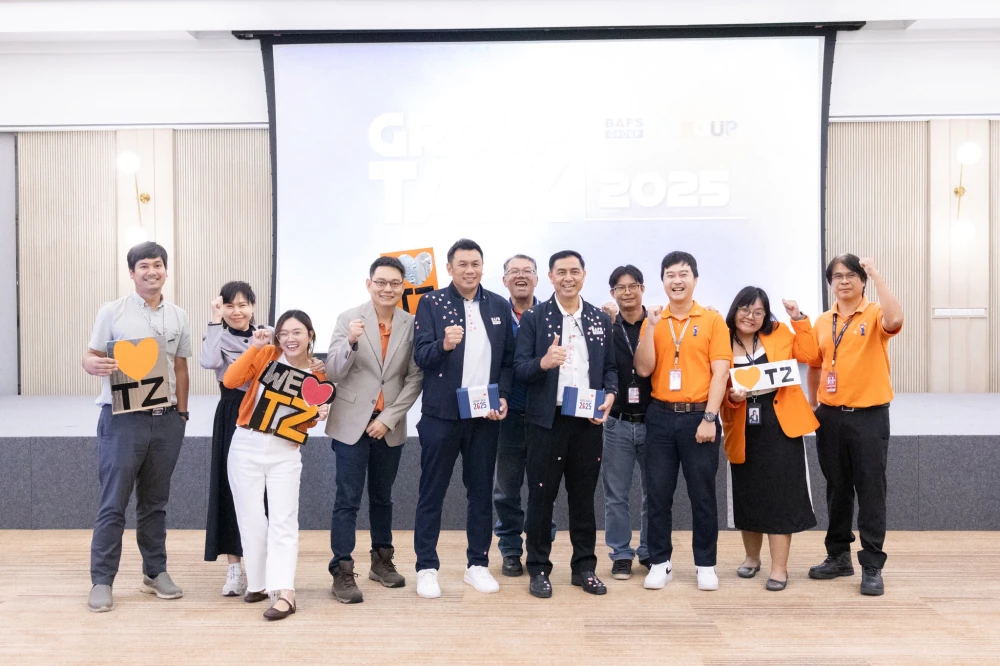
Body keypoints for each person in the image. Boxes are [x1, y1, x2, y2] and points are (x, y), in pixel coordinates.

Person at [83, 241, 191, 613]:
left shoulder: (178, 315)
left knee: (155, 504)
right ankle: (102, 580)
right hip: (122, 421)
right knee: (113, 503)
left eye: (157, 265)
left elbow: (180, 366)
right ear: (132, 273)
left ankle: (154, 573)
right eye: (143, 266)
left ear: (166, 270)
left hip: (167, 421)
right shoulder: (111, 311)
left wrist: (182, 414)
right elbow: (92, 355)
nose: (151, 271)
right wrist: (91, 364)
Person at [412, 239, 515, 598]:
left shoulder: (498, 304)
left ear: (482, 267)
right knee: (432, 492)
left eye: (475, 264)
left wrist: (503, 396)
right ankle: (426, 567)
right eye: (462, 264)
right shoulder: (431, 303)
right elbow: (421, 356)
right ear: (450, 268)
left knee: (481, 492)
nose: (470, 270)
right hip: (441, 416)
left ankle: (478, 564)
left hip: (483, 416)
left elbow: (507, 361)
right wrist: (443, 344)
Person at [514, 250, 617, 599]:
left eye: (574, 271)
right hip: (547, 422)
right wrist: (543, 362)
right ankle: (538, 568)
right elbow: (520, 369)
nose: (568, 278)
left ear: (584, 275)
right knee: (541, 496)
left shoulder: (599, 319)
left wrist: (611, 394)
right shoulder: (535, 318)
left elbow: (611, 369)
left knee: (584, 497)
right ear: (550, 277)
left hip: (587, 420)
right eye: (561, 272)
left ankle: (584, 567)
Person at [800, 254, 903, 596]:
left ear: (862, 281)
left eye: (851, 275)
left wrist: (877, 274)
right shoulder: (823, 321)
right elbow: (816, 364)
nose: (843, 281)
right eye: (837, 276)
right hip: (830, 417)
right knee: (837, 488)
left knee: (871, 489)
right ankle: (838, 556)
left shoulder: (874, 313)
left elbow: (895, 319)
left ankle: (872, 565)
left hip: (869, 415)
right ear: (830, 283)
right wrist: (813, 405)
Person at [324, 257, 423, 604]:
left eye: (395, 283)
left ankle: (381, 561)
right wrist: (350, 341)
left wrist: (389, 418)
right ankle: (342, 570)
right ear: (369, 284)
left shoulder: (412, 323)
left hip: (388, 425)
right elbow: (332, 372)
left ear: (403, 287)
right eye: (381, 282)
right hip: (351, 422)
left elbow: (415, 377)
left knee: (383, 497)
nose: (387, 289)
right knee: (347, 499)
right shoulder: (348, 318)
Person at [634, 251, 732, 592]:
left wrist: (709, 417)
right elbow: (643, 368)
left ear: (695, 279)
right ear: (662, 281)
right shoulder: (654, 320)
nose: (677, 280)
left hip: (699, 416)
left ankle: (705, 564)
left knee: (702, 495)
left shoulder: (712, 320)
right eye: (670, 275)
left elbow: (721, 372)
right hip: (660, 416)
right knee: (658, 494)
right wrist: (650, 327)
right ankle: (660, 562)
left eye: (683, 274)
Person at [223, 310, 330, 620]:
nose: (290, 339)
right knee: (251, 519)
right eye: (283, 333)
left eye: (297, 332)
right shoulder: (267, 354)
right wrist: (255, 347)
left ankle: (285, 592)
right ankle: (258, 584)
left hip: (285, 451)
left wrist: (317, 415)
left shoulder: (317, 375)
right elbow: (231, 380)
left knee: (284, 521)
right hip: (246, 444)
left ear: (310, 335)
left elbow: (304, 421)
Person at [721, 286, 819, 591]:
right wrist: (732, 397)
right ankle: (752, 558)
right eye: (745, 309)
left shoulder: (778, 333)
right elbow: (713, 385)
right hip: (742, 423)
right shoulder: (721, 340)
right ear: (735, 310)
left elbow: (810, 355)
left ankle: (779, 568)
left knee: (780, 495)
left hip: (780, 422)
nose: (750, 316)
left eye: (758, 312)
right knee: (748, 492)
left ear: (766, 316)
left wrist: (798, 319)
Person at [492, 253, 556, 577]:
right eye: (514, 272)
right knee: (506, 490)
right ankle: (510, 550)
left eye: (527, 271)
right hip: (508, 415)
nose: (521, 276)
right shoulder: (494, 316)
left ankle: (540, 550)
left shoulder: (552, 316)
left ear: (537, 279)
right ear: (504, 280)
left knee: (544, 488)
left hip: (546, 416)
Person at [202, 282, 259, 597]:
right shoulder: (217, 336)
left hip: (263, 414)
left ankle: (260, 568)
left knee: (261, 492)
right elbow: (209, 362)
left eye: (243, 304)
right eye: (229, 305)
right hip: (231, 414)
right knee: (229, 489)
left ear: (252, 306)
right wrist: (214, 321)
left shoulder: (266, 335)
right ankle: (234, 569)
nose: (237, 311)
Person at [600, 265, 652, 580]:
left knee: (653, 493)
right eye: (621, 287)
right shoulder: (605, 325)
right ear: (612, 293)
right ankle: (620, 554)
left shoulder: (658, 324)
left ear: (642, 288)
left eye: (633, 286)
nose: (627, 292)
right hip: (616, 422)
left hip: (653, 421)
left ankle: (649, 551)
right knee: (616, 495)